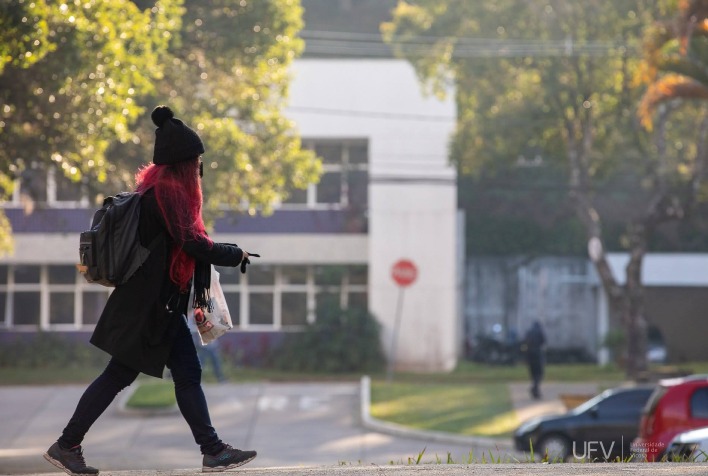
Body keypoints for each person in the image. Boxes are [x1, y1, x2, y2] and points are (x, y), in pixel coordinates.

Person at [44, 105, 257, 475]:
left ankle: (212, 450)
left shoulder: (157, 189)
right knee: (120, 375)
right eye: (196, 162)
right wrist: (233, 252)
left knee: (184, 374)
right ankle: (67, 444)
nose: (199, 169)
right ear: (183, 163)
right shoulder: (168, 195)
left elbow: (180, 247)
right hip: (148, 308)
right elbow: (192, 243)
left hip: (158, 306)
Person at [523, 320, 546, 400]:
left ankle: (535, 389)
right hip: (537, 354)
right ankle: (535, 389)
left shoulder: (528, 332)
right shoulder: (539, 332)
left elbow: (525, 342)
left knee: (533, 374)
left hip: (530, 355)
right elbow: (543, 341)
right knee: (539, 373)